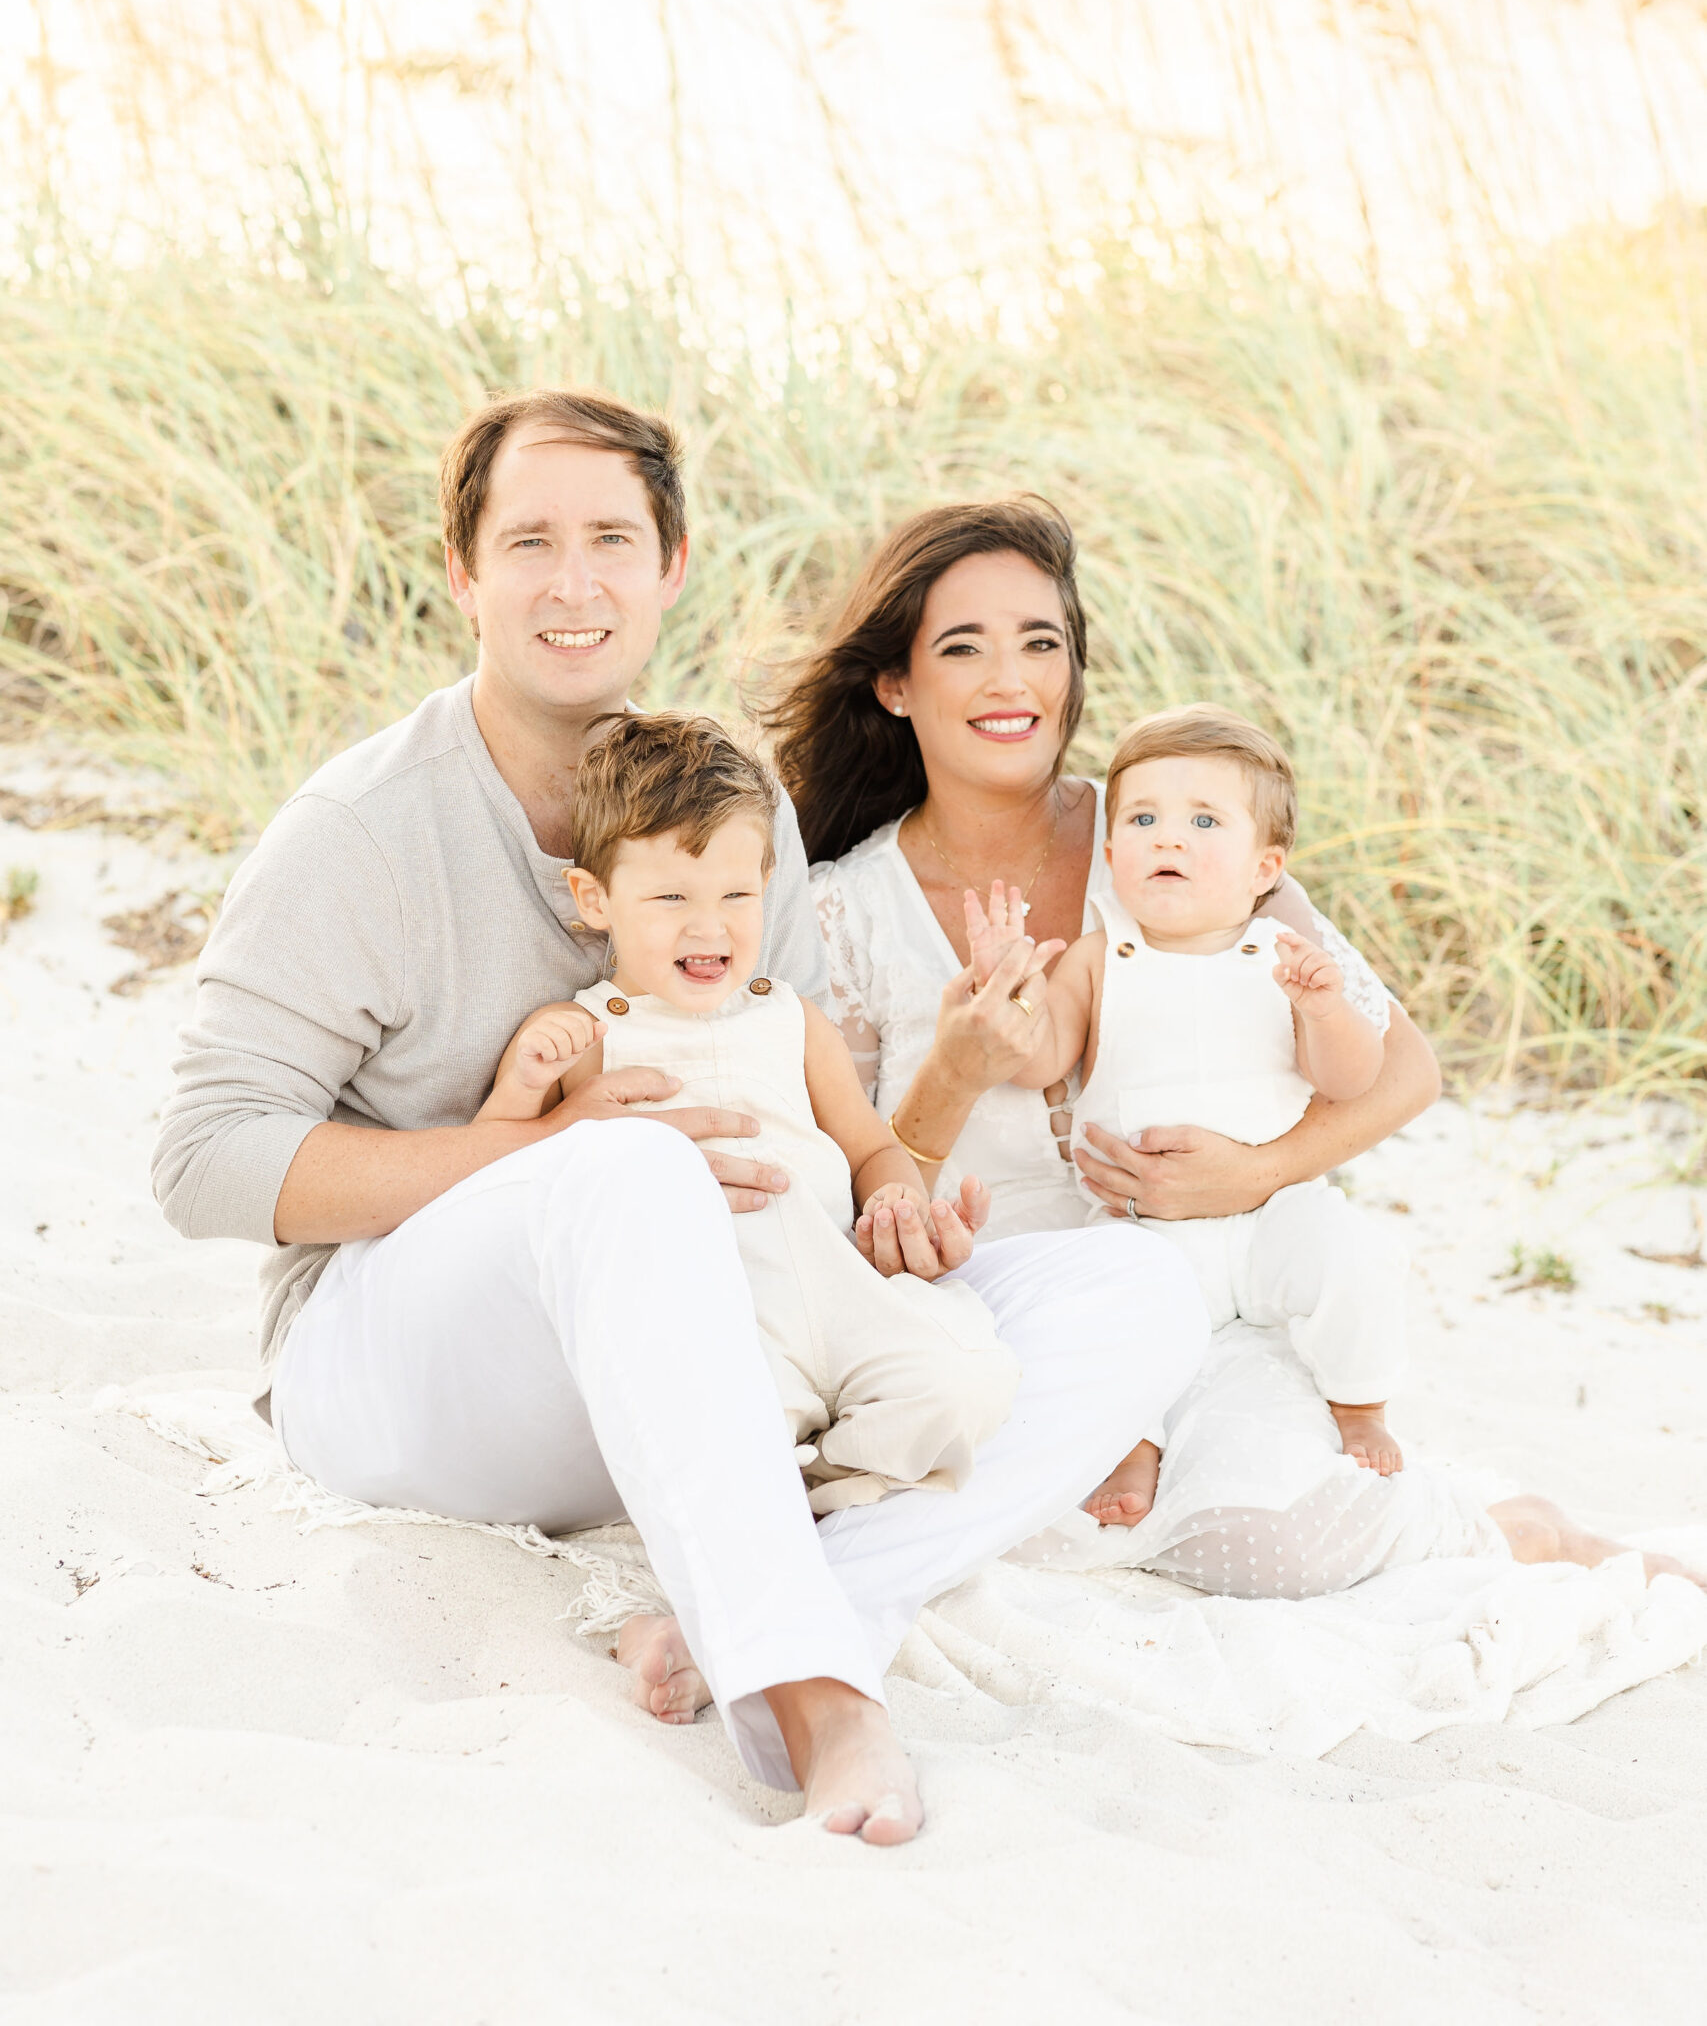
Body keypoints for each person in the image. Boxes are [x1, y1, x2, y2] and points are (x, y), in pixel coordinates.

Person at [151, 390, 1210, 1845]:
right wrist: (542, 1155)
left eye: (609, 540)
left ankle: (792, 1599)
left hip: (714, 1360)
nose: (572, 581)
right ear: (463, 574)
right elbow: (205, 1164)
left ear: (671, 565)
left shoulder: (730, 811)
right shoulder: (362, 834)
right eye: (528, 541)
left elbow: (789, 1104)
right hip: (411, 1377)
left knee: (1139, 1288)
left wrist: (889, 1194)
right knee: (631, 1171)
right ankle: (819, 1701)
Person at [773, 493, 1706, 1600]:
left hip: (1217, 1293)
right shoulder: (842, 910)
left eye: (1042, 642)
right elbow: (848, 1206)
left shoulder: (1173, 830)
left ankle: (1522, 1529)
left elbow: (1403, 1068)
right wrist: (957, 1070)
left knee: (1271, 1546)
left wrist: (1254, 1172)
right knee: (987, 1549)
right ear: (894, 682)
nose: (1010, 680)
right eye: (962, 647)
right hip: (1004, 1311)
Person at [476, 708, 1019, 1513]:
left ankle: (826, 1480)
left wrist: (899, 1198)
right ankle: (775, 1490)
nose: (710, 925)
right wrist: (524, 1082)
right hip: (723, 1314)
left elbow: (870, 1146)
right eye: (669, 896)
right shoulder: (588, 1034)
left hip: (843, 1281)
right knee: (716, 1430)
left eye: (736, 893)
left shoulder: (794, 1020)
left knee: (965, 1384)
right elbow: (492, 1174)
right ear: (594, 899)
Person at [982, 701, 1407, 1533]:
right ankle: (1131, 1444)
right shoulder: (1101, 953)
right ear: (1111, 857)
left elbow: (1350, 1080)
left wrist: (1324, 1014)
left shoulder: (1281, 958)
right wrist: (1012, 990)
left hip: (1271, 1213)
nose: (1167, 838)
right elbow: (1039, 1063)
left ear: (1264, 868)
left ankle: (1359, 1404)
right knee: (1106, 1321)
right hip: (1146, 1229)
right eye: (1142, 818)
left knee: (1353, 1253)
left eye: (1203, 820)